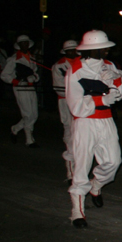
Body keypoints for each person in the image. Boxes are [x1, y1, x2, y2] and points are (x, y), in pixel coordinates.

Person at [65, 30, 122, 228]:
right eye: (104, 48)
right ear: (92, 50)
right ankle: (77, 211)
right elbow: (74, 105)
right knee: (82, 165)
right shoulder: (75, 69)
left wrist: (116, 82)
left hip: (106, 120)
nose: (108, 51)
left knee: (113, 161)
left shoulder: (109, 66)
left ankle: (97, 185)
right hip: (85, 122)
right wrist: (101, 99)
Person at [1, 34, 41, 148]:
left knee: (34, 114)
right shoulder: (14, 59)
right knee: (28, 114)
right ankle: (29, 140)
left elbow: (35, 73)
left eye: (26, 43)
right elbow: (4, 75)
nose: (25, 45)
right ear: (18, 45)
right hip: (20, 88)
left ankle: (16, 128)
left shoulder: (32, 58)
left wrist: (34, 78)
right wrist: (16, 81)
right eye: (22, 43)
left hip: (30, 87)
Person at [51, 40, 79, 182]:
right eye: (69, 50)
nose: (72, 52)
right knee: (69, 133)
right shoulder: (59, 66)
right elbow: (58, 87)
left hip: (81, 104)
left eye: (74, 50)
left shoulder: (83, 63)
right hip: (66, 102)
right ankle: (70, 172)